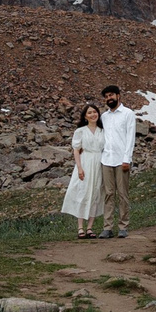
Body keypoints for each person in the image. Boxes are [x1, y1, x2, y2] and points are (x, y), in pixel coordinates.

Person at [97, 84, 138, 238]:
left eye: (111, 95)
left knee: (122, 194)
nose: (109, 98)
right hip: (106, 159)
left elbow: (130, 138)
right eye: (106, 97)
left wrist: (127, 159)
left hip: (122, 160)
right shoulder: (104, 116)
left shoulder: (128, 114)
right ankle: (107, 227)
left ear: (118, 96)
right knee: (108, 193)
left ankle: (123, 226)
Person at [59, 101, 104, 238]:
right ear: (85, 116)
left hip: (99, 162)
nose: (93, 114)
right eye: (89, 112)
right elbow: (76, 150)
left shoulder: (103, 131)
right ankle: (80, 228)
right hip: (85, 162)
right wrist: (79, 168)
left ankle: (90, 227)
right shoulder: (80, 131)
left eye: (95, 112)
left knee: (96, 193)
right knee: (83, 192)